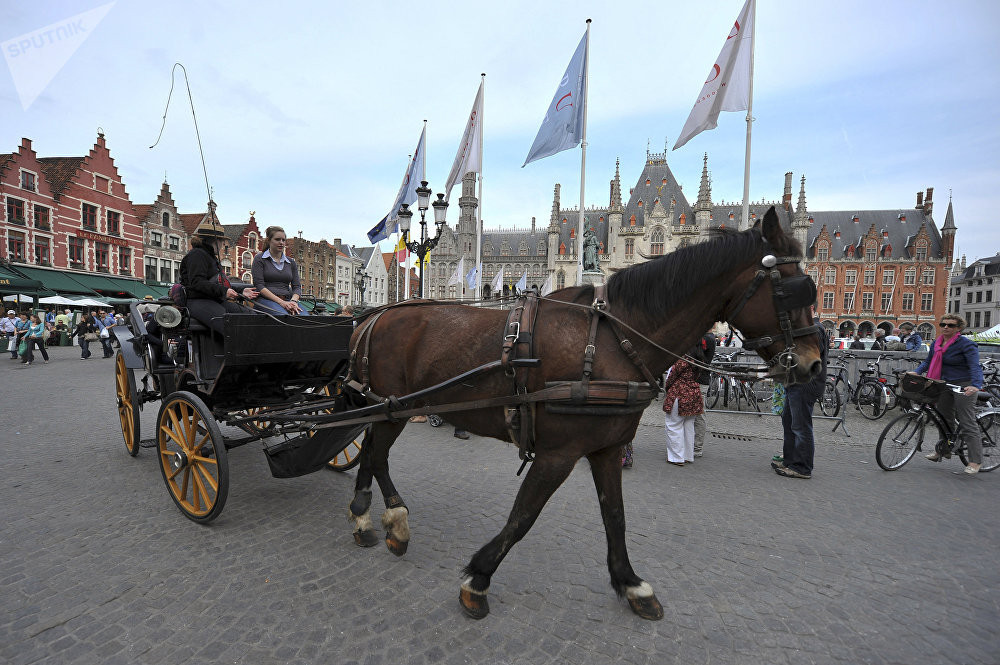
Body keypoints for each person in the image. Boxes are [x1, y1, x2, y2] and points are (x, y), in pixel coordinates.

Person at [913, 314, 984, 473]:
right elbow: (928, 362)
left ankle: (975, 461)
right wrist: (917, 372)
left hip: (963, 385)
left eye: (950, 325)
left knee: (967, 421)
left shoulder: (966, 344)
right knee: (944, 419)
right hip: (943, 383)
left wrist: (975, 385)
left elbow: (975, 366)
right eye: (943, 324)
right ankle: (944, 450)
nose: (946, 327)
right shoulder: (937, 343)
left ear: (958, 328)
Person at [180, 213, 258, 335]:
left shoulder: (210, 256)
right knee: (229, 326)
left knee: (250, 316)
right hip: (198, 300)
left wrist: (240, 292)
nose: (222, 246)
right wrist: (224, 292)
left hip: (213, 299)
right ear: (217, 241)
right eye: (222, 242)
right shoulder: (197, 255)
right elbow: (197, 283)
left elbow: (218, 283)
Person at [773, 319, 828, 479]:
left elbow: (808, 358)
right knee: (789, 422)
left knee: (801, 426)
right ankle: (790, 460)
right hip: (794, 383)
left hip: (806, 384)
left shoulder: (814, 330)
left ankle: (803, 467)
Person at [251, 225, 307, 315]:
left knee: (305, 318)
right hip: (266, 300)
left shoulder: (291, 262)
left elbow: (296, 287)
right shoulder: (260, 259)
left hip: (288, 299)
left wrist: (293, 301)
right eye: (277, 239)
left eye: (283, 240)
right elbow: (259, 286)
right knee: (283, 317)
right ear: (269, 240)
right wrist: (282, 303)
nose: (281, 243)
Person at [662, 355, 703, 466]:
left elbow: (671, 377)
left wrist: (667, 388)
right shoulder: (698, 360)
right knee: (688, 426)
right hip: (694, 392)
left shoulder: (682, 360)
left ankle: (676, 457)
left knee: (674, 425)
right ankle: (687, 455)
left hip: (680, 392)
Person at [690, 332, 717, 458]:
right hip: (698, 380)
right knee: (694, 414)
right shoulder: (707, 338)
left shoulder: (708, 339)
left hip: (700, 381)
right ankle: (692, 445)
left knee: (699, 415)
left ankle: (697, 447)